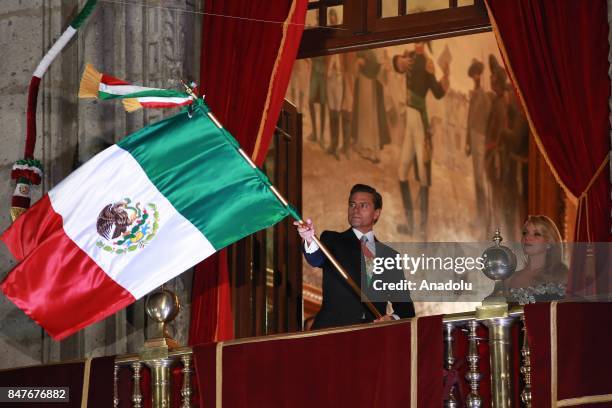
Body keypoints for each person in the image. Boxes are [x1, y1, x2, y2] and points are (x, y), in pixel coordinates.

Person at [294, 184, 415, 329]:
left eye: (363, 205)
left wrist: (391, 318)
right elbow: (316, 259)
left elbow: (406, 309)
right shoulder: (332, 239)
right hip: (332, 334)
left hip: (372, 337)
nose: (355, 209)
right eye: (352, 204)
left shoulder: (390, 256)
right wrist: (309, 239)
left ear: (376, 213)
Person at [393, 42, 449, 237]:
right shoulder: (408, 55)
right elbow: (396, 64)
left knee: (423, 177)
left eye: (421, 40)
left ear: (425, 42)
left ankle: (423, 229)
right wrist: (397, 60)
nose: (418, 43)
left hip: (419, 121)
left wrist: (445, 78)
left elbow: (438, 93)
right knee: (401, 172)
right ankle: (411, 225)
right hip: (410, 121)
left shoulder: (427, 62)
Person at [505, 215, 568, 304]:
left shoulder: (561, 275)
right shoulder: (510, 278)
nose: (527, 237)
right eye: (525, 233)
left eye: (536, 234)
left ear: (549, 242)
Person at [465, 58, 492, 239]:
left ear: (480, 76)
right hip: (474, 139)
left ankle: (486, 220)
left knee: (481, 179)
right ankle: (480, 217)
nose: (475, 77)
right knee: (476, 178)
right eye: (473, 74)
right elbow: (469, 121)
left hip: (481, 138)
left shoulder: (483, 96)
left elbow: (486, 120)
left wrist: (481, 140)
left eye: (477, 74)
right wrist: (467, 142)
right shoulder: (474, 95)